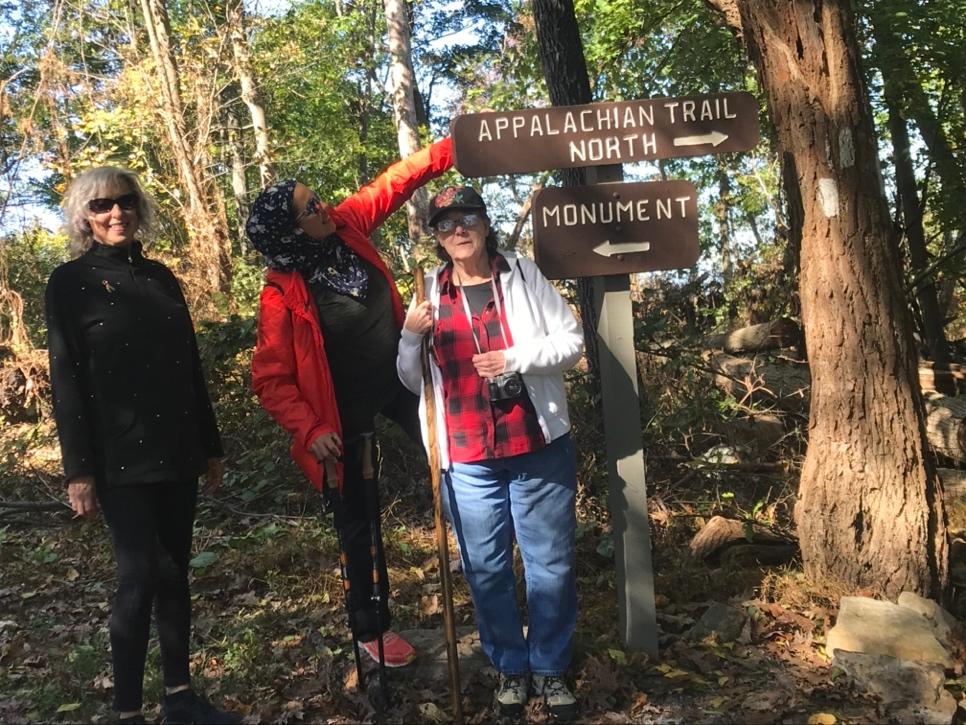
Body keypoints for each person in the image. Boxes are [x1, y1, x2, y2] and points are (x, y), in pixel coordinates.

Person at [247, 137, 453, 668]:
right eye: (310, 207)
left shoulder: (345, 226)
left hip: (403, 378)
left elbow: (395, 182)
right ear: (292, 230)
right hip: (339, 413)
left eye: (317, 198)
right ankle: (371, 627)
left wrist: (454, 147)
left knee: (456, 459)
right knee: (357, 521)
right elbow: (271, 378)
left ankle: (486, 566)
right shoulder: (281, 295)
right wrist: (310, 429)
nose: (323, 207)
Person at [45, 167, 237, 724]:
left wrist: (210, 444)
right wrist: (77, 470)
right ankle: (127, 708)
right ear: (85, 215)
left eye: (126, 202)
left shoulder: (161, 278)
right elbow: (66, 380)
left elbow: (188, 368)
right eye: (102, 205)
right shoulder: (69, 282)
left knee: (175, 569)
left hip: (176, 447)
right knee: (140, 574)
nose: (116, 213)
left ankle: (180, 697)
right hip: (117, 455)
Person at [397, 186, 584, 720]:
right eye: (446, 223)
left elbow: (570, 342)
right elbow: (414, 383)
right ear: (436, 236)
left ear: (484, 224)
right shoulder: (428, 292)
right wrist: (410, 339)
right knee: (486, 568)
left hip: (536, 445)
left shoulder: (522, 275)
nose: (458, 230)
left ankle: (549, 669)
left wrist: (516, 358)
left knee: (549, 563)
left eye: (468, 218)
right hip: (465, 453)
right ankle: (510, 667)